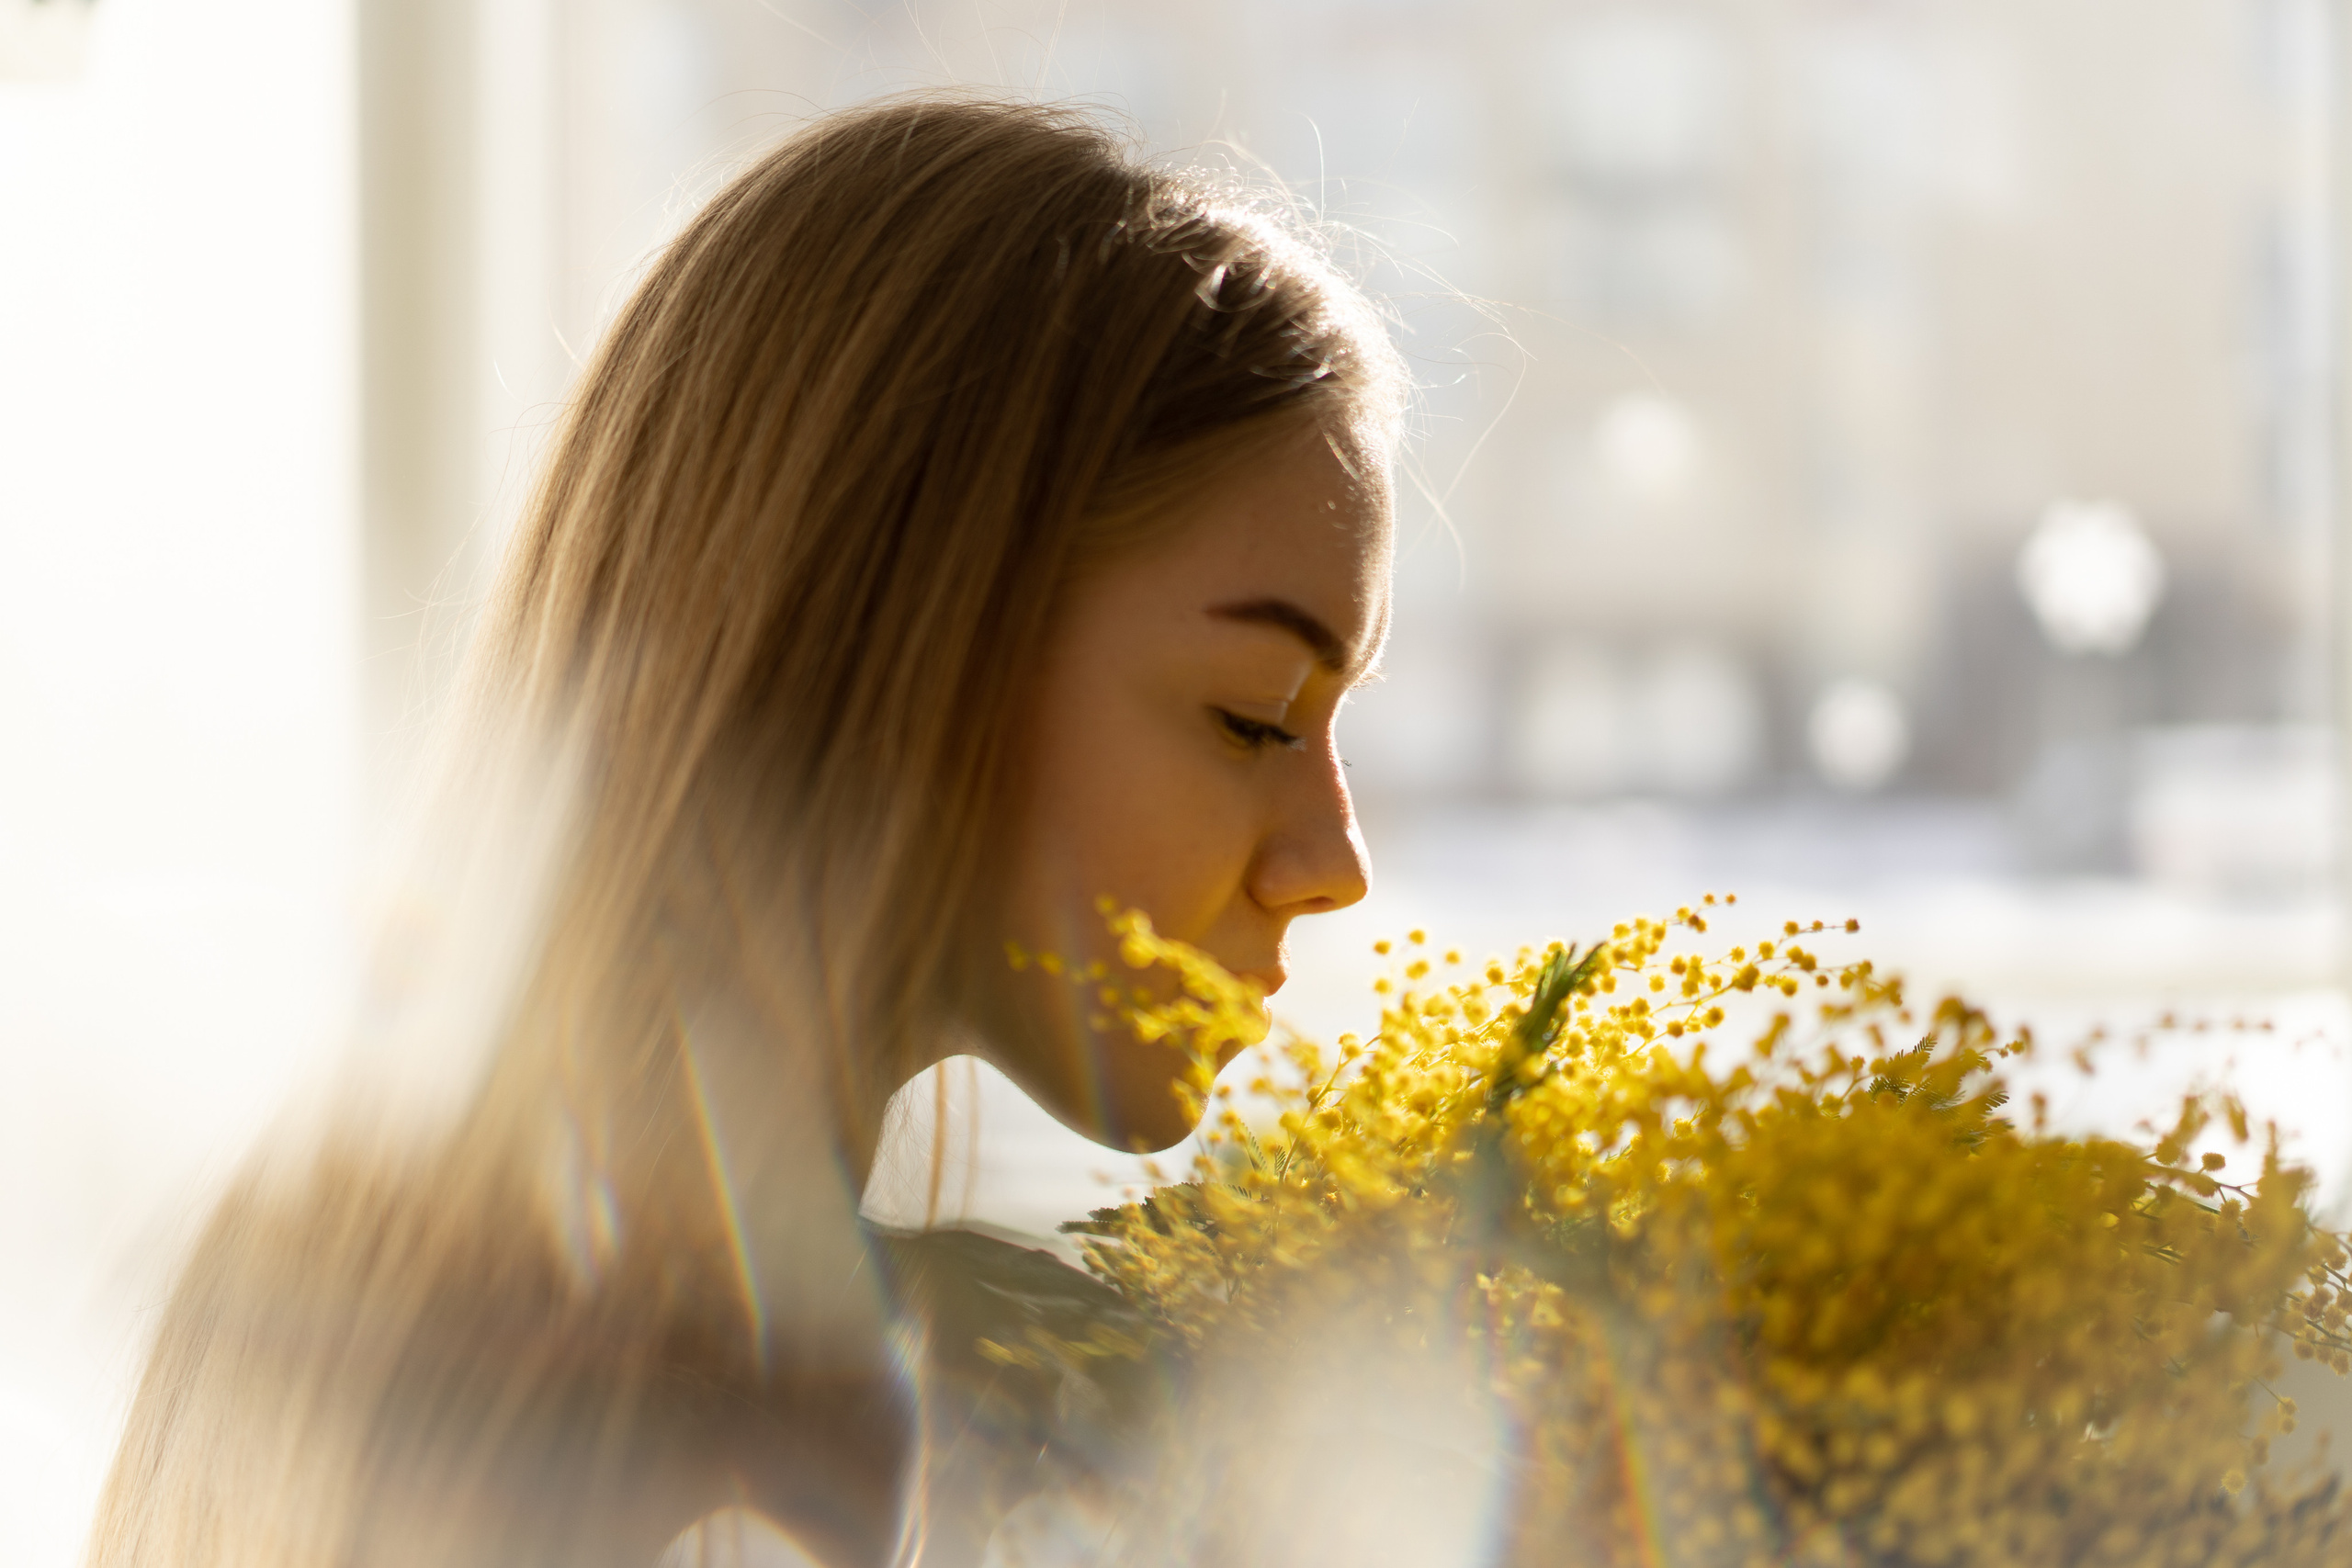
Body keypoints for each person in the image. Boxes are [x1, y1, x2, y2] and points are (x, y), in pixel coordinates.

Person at [86, 94, 1402, 1568]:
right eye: (1255, 715)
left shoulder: (356, 1266)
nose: (1332, 864)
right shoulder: (717, 1432)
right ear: (913, 633)